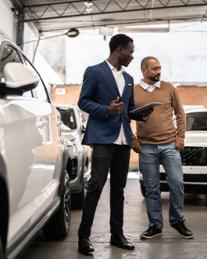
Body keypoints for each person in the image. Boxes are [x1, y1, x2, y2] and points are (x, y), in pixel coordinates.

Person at [77, 34, 151, 255]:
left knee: (119, 190)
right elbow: (83, 101)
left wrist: (140, 114)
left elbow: (127, 110)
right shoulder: (94, 71)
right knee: (95, 187)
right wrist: (105, 110)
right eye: (130, 51)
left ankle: (116, 235)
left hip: (123, 140)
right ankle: (83, 237)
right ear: (119, 49)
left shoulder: (128, 79)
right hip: (102, 138)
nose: (132, 55)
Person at [132, 56, 193, 240]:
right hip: (146, 147)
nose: (158, 71)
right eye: (154, 68)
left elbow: (180, 112)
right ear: (144, 70)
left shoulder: (169, 88)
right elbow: (124, 117)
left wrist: (181, 136)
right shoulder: (133, 92)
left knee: (177, 183)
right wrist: (133, 140)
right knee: (152, 188)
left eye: (159, 68)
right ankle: (155, 225)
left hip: (169, 145)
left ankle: (177, 220)